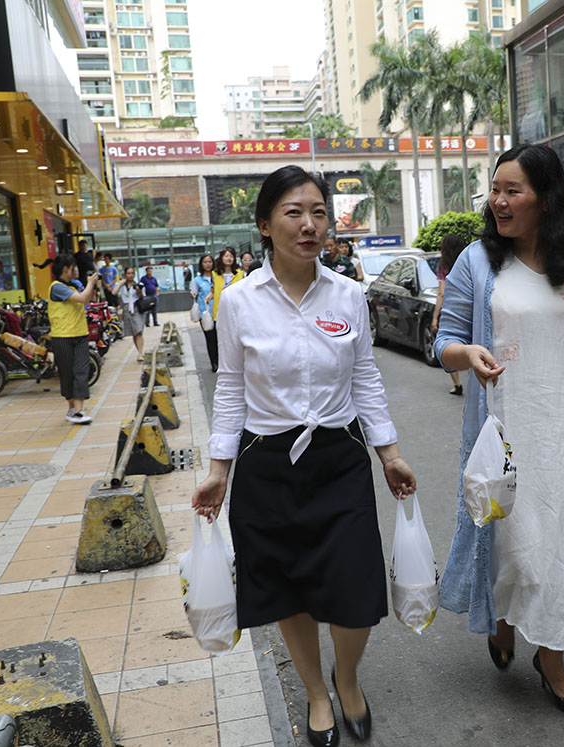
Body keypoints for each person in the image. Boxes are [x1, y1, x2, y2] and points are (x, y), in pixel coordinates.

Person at [192, 165, 416, 747]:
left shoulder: (348, 293)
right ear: (266, 225)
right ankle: (316, 692)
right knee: (287, 588)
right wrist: (218, 469)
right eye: (293, 213)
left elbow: (365, 377)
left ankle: (347, 677)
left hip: (339, 457)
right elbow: (230, 387)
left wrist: (389, 453)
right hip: (267, 463)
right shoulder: (239, 300)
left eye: (318, 212)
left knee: (354, 588)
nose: (309, 224)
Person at [435, 144, 564, 718]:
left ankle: (552, 659)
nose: (499, 201)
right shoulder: (477, 262)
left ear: (545, 198)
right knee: (515, 546)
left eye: (513, 190)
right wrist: (467, 354)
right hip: (508, 431)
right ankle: (504, 620)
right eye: (495, 190)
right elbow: (443, 341)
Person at [48, 254, 99, 425]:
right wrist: (90, 283)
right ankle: (72, 407)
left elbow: (88, 300)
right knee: (68, 374)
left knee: (82, 371)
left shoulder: (73, 286)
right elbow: (83, 298)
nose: (76, 270)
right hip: (63, 336)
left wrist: (91, 286)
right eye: (73, 267)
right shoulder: (57, 287)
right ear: (65, 269)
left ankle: (78, 411)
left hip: (80, 334)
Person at [430, 233, 466, 396]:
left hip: (452, 311)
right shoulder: (467, 262)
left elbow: (441, 293)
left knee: (449, 343)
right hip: (469, 308)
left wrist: (435, 318)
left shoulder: (444, 267)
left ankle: (457, 384)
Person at [191, 253, 219, 371]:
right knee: (210, 339)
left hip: (219, 312)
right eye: (205, 262)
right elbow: (194, 294)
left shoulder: (218, 277)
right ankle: (214, 363)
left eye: (210, 262)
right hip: (205, 314)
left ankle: (223, 362)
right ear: (201, 264)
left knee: (221, 339)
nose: (208, 264)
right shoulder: (197, 280)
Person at [118, 266, 147, 362]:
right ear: (125, 274)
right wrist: (121, 282)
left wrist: (139, 290)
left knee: (138, 331)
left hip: (137, 308)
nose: (130, 275)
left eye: (132, 273)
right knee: (134, 333)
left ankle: (140, 353)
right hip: (127, 309)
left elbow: (142, 297)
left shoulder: (139, 284)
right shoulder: (122, 286)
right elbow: (113, 292)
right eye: (128, 273)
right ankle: (140, 352)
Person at [210, 247, 239, 331]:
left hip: (236, 309)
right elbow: (212, 290)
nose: (229, 258)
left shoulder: (240, 274)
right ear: (221, 258)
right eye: (226, 256)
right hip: (219, 310)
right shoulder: (214, 274)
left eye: (231, 256)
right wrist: (208, 297)